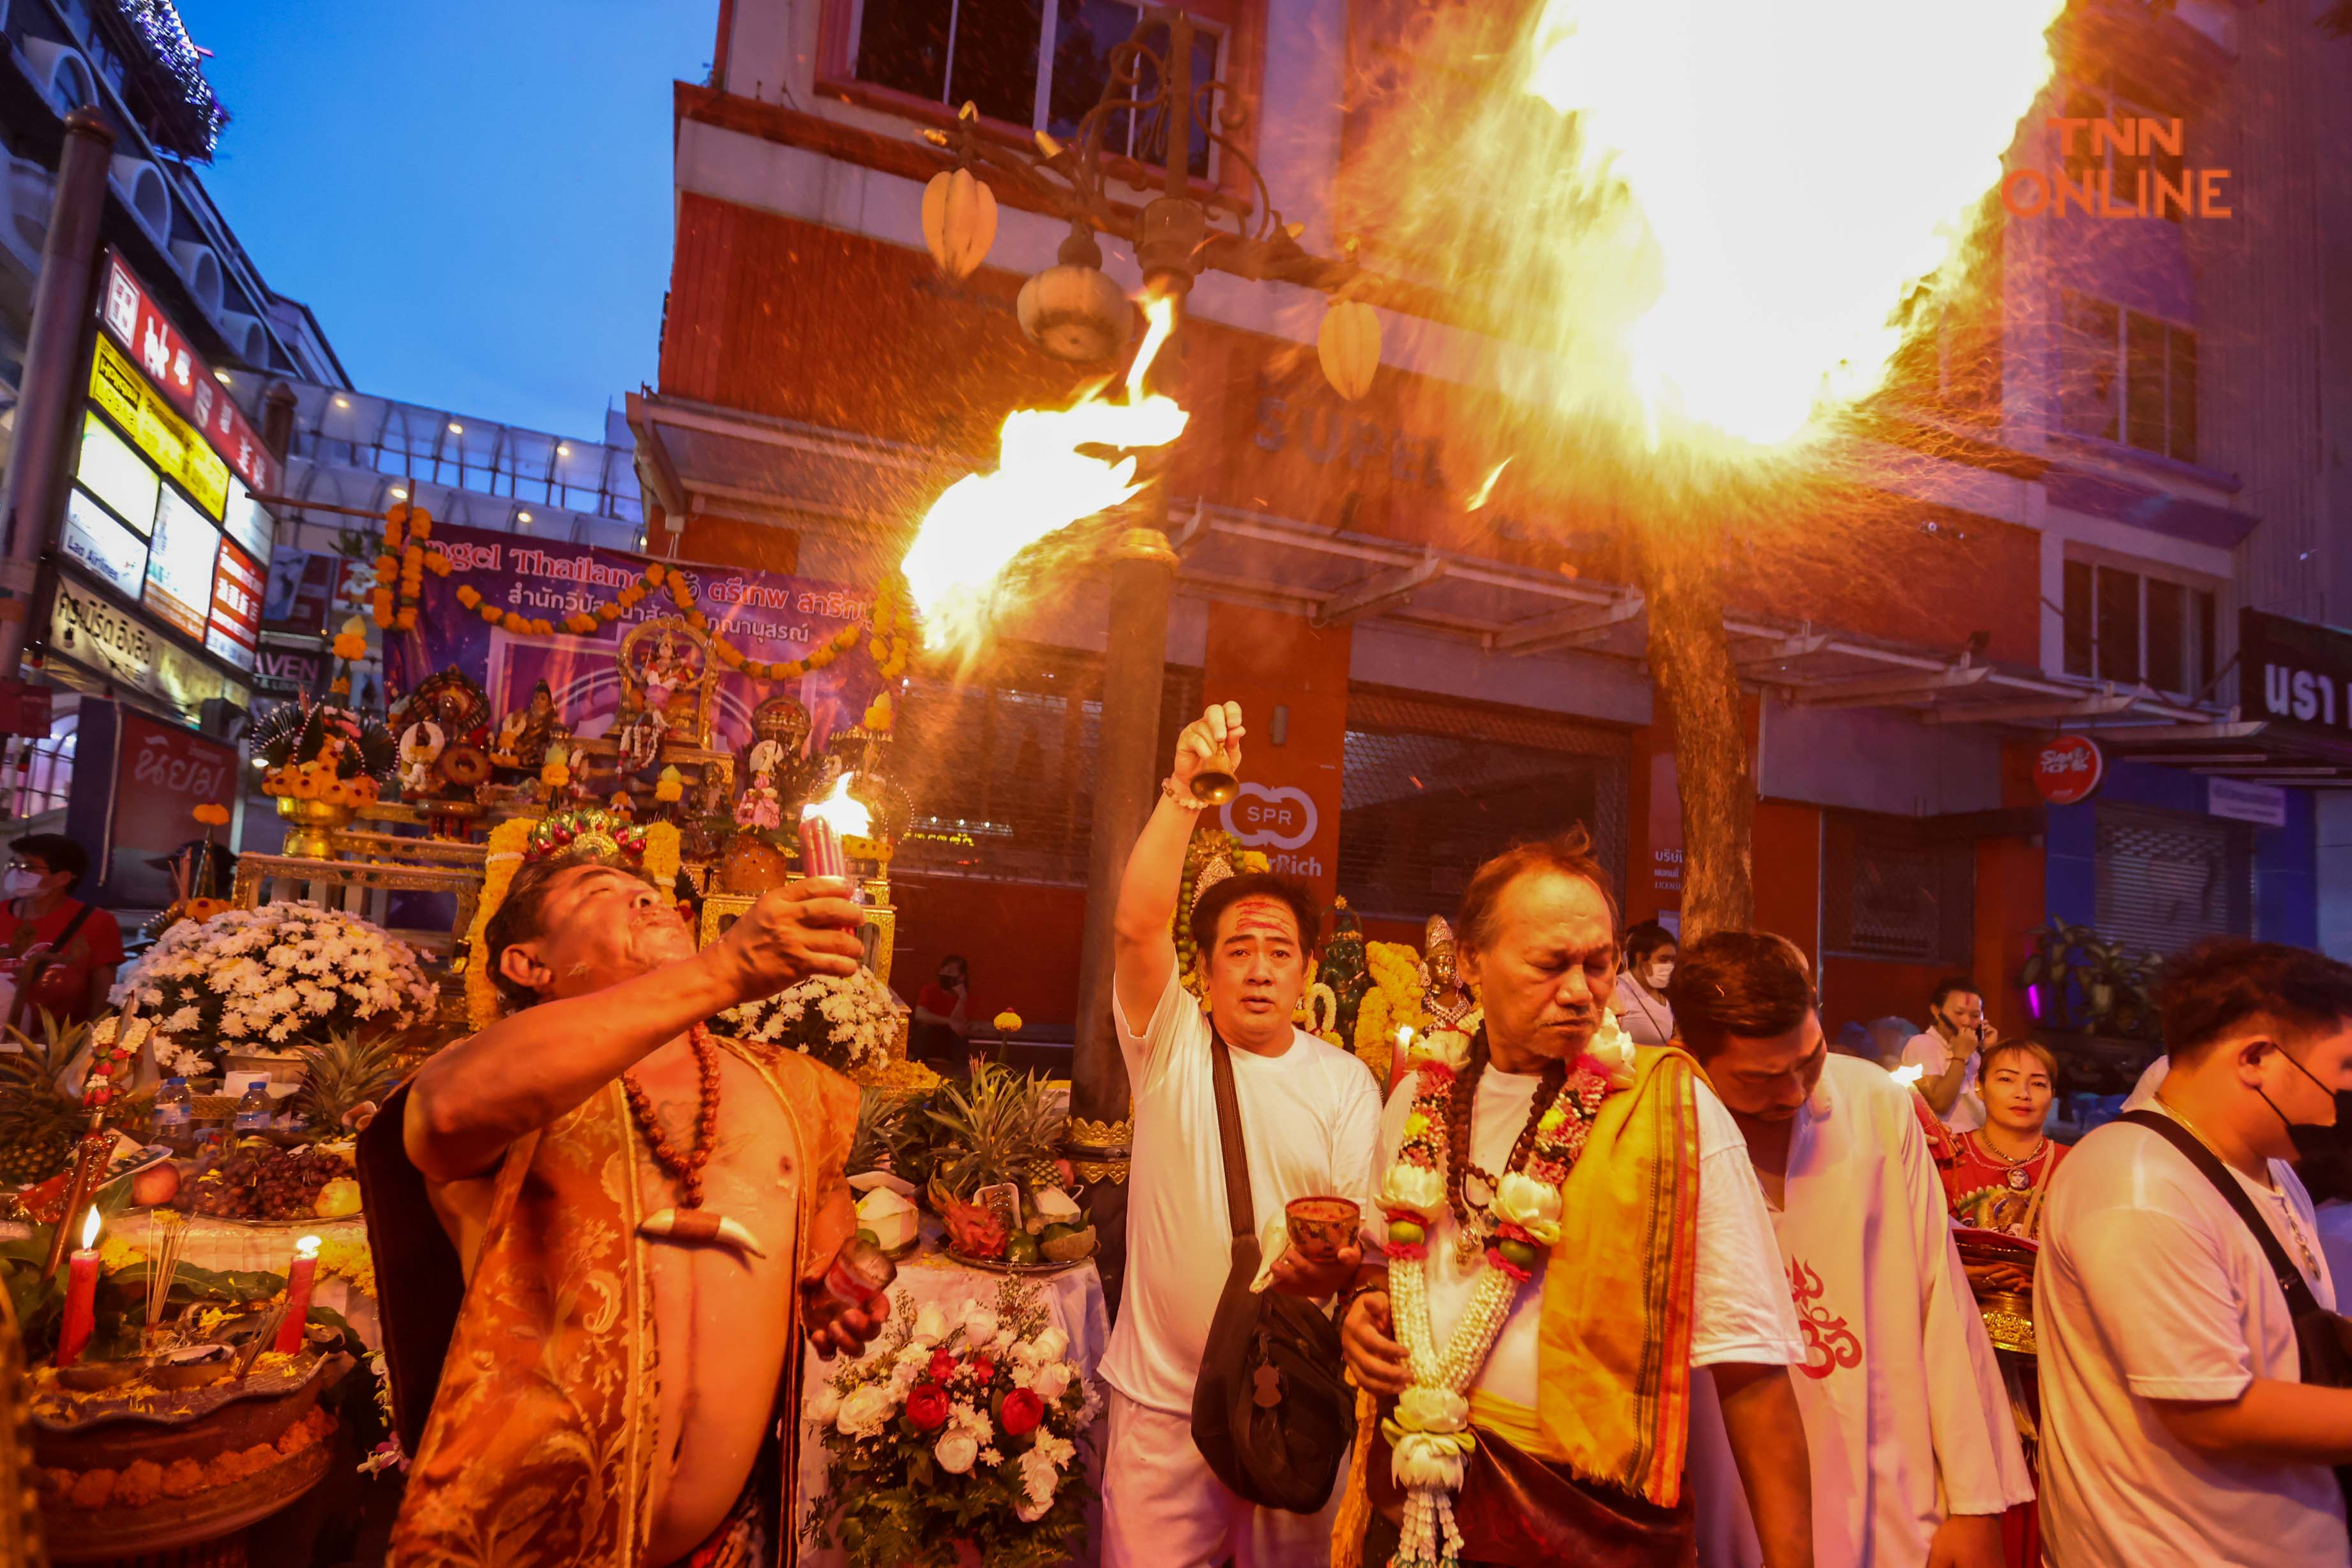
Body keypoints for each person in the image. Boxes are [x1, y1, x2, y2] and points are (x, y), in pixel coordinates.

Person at [361, 817, 882, 1566]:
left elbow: (829, 1229)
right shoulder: (503, 1078)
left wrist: (832, 1290)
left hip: (730, 1539)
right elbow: (445, 1117)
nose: (649, 901)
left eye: (654, 893)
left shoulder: (792, 1085)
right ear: (527, 962)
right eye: (602, 891)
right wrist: (724, 970)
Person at [1338, 834, 1815, 1568]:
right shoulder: (1417, 1095)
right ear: (1469, 960)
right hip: (1417, 1503)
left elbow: (1752, 1371)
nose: (1581, 989)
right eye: (1550, 963)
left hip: (1590, 1528)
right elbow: (1388, 1268)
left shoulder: (1672, 1108)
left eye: (1599, 964)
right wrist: (1365, 1314)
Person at [1102, 700, 1381, 1568]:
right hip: (1160, 1408)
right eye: (1238, 948)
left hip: (1291, 1392)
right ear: (1205, 967)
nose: (1259, 967)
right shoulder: (1173, 1042)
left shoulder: (1344, 1081)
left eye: (1280, 950)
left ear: (1306, 971)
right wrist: (1185, 795)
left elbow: (1361, 1242)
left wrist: (1326, 1268)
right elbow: (1135, 924)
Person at [1673, 932, 2026, 1568]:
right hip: (1726, 1478)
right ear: (1688, 1055)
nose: (1793, 1092)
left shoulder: (1874, 1101)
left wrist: (1975, 1501)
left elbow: (1940, 1302)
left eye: (1808, 1060)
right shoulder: (1663, 1124)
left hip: (1888, 1474)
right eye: (1759, 1077)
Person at [2037, 938, 2352, 1568]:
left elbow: (2279, 1336)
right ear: (2257, 1057)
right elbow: (2210, 1407)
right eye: (2344, 1065)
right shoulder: (2139, 1184)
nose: (2348, 1087)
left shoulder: (2268, 1165)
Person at [1940, 1039, 2070, 1242]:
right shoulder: (1948, 1155)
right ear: (1979, 1086)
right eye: (2007, 1079)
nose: (2023, 1094)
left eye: (2037, 1084)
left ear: (2052, 1095)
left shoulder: (2074, 1165)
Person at [0, 834, 123, 1027]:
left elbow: (104, 993)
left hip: (56, 1048)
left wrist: (92, 1041)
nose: (17, 873)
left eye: (28, 867)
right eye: (13, 865)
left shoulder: (97, 922)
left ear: (63, 877)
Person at [1902, 978, 1993, 1132]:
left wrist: (1989, 1053)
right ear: (1937, 1011)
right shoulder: (1922, 1044)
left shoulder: (1975, 1053)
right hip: (1946, 1144)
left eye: (1975, 1016)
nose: (1966, 1022)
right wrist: (1960, 1057)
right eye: (1959, 1013)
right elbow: (1939, 1103)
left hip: (1978, 1142)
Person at [1611, 918, 1677, 1046]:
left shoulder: (1665, 995)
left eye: (1673, 960)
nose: (1670, 965)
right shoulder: (1619, 990)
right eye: (1663, 959)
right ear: (1641, 958)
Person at [912, 954, 974, 1069]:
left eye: (950, 971)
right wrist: (949, 1022)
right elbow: (920, 1015)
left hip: (951, 1045)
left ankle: (959, 1077)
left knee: (959, 1037)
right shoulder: (929, 990)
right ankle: (916, 1070)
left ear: (962, 977)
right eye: (943, 971)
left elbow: (960, 1027)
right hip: (930, 1040)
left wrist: (961, 999)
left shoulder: (966, 997)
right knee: (922, 1029)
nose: (945, 975)